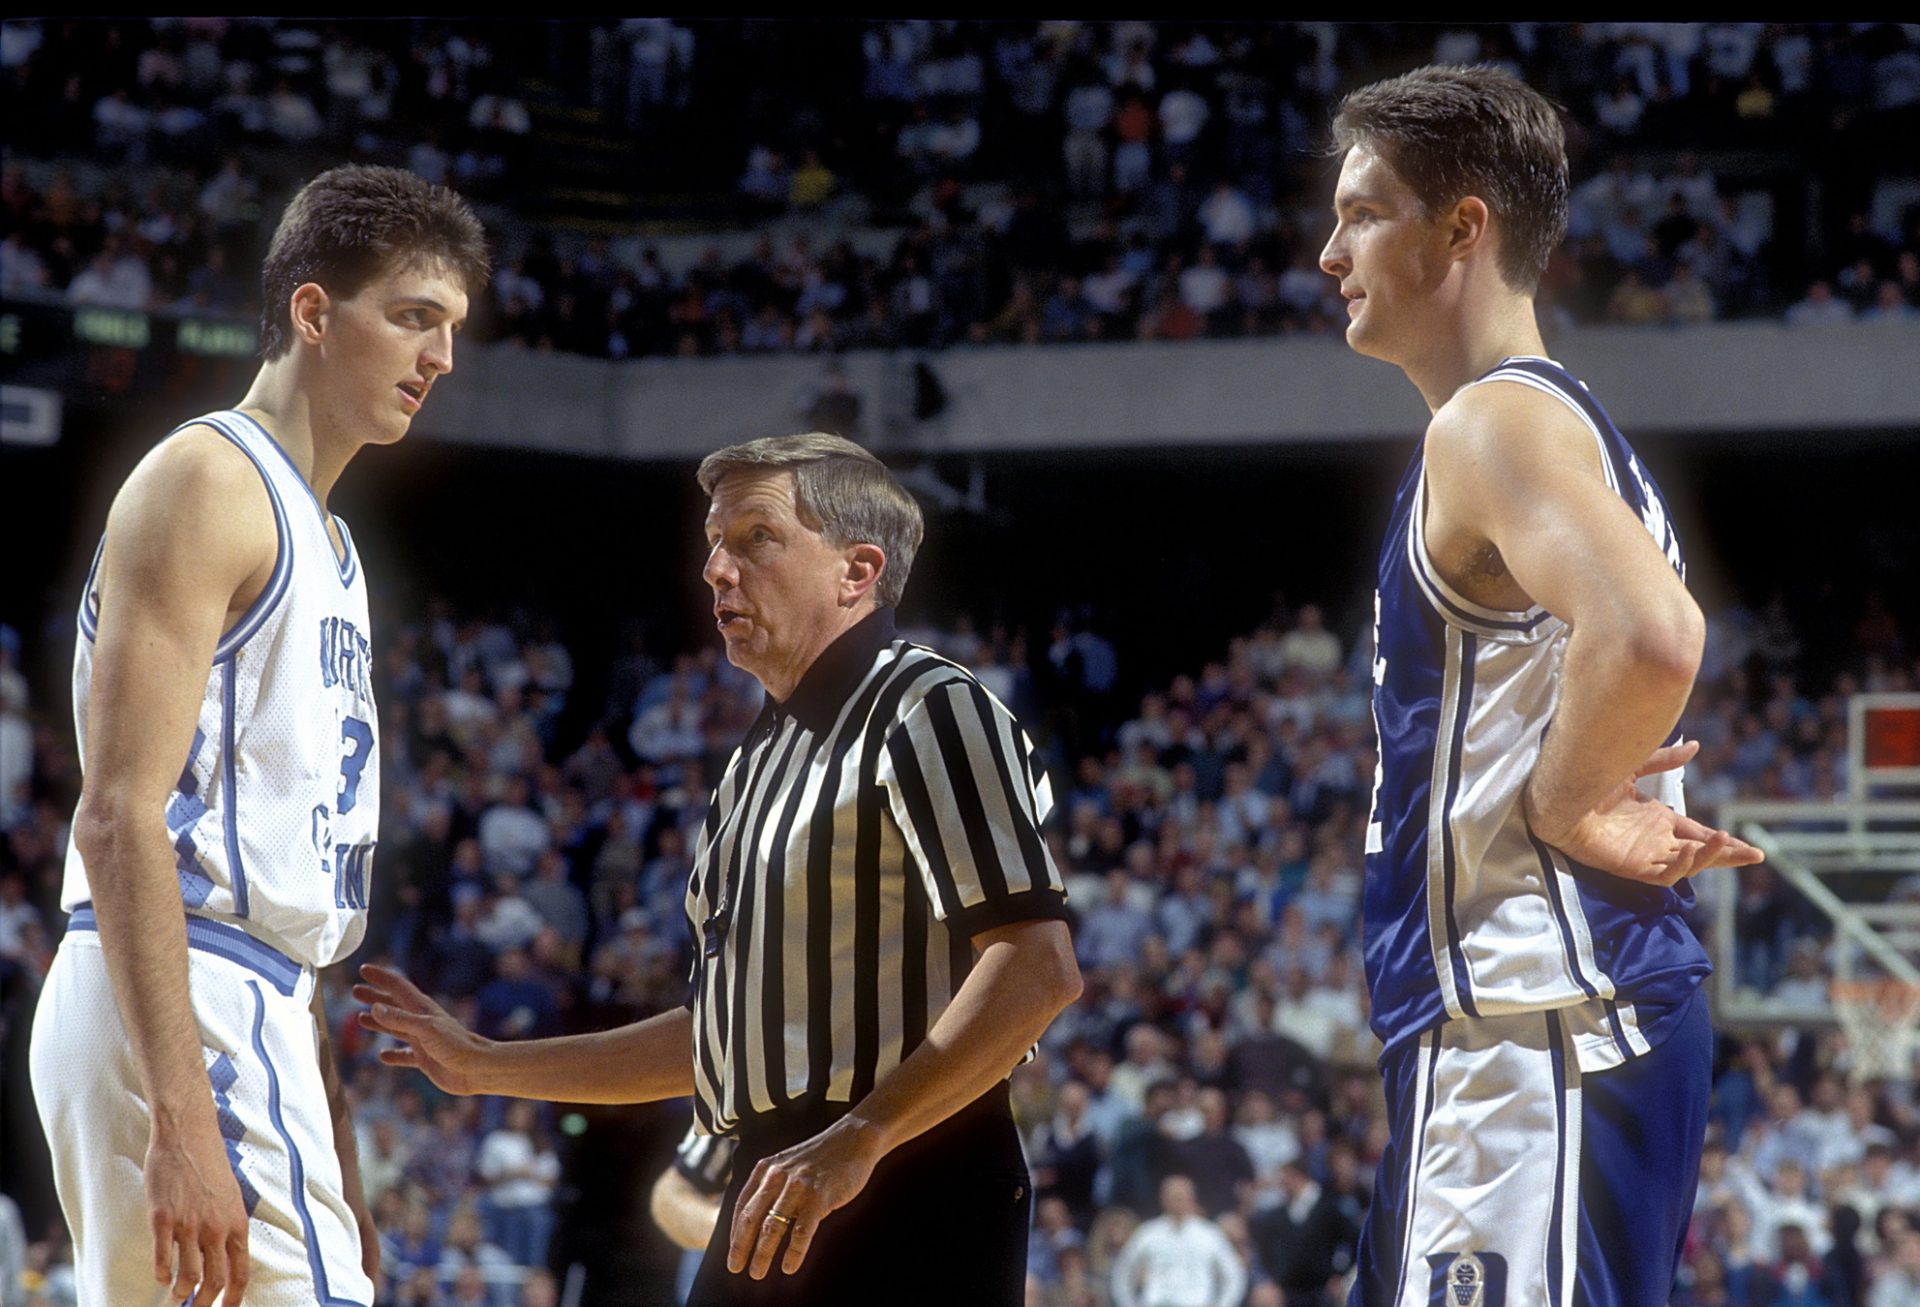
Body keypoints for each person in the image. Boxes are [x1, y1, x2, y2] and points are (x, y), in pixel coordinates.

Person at [356, 433, 1082, 1305]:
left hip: (909, 1166)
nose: (716, 569)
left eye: (756, 538)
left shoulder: (930, 707)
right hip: (775, 1174)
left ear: (857, 571)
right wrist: (487, 1064)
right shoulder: (751, 766)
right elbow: (722, 1036)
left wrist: (864, 1133)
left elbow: (1038, 965)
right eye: (714, 543)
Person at [1315, 66, 1762, 1307]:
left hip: (1535, 1014)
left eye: (1362, 212)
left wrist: (1569, 807)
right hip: (1525, 1018)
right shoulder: (1542, 429)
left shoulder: (1493, 426)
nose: (1326, 249)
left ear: (1465, 225)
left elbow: (1656, 634)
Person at [27, 164, 487, 1307]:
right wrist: (186, 1120)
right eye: (413, 317)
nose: (439, 358)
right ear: (314, 312)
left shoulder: (327, 540)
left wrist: (332, 1143)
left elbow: (282, 876)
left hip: (242, 1003)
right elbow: (119, 812)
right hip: (188, 1003)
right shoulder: (210, 479)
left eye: (452, 329)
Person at [1109, 1175, 1247, 1307]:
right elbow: (1122, 1272)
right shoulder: (1148, 1233)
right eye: (1173, 1197)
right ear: (1162, 1199)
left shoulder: (1210, 1234)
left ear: (1192, 1198)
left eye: (1181, 1196)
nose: (1177, 1202)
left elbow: (1234, 1276)